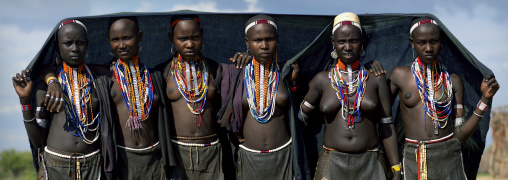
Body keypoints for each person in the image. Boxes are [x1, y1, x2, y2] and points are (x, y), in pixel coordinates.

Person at [42, 16, 175, 179]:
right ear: (109, 42)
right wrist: (52, 81)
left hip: (155, 157)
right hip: (121, 159)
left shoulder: (155, 75)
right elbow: (47, 68)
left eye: (127, 38)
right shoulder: (105, 74)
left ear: (139, 36)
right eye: (115, 39)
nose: (122, 44)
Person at [384, 17, 500, 179]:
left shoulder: (453, 81)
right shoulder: (399, 76)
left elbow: (460, 136)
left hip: (449, 157)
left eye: (434, 41)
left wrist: (484, 101)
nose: (429, 48)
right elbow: (382, 117)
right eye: (421, 42)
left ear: (441, 42)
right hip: (416, 157)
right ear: (412, 42)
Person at [299, 12, 401, 180]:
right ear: (333, 43)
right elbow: (299, 120)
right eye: (342, 41)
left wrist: (396, 168)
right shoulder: (322, 80)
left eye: (353, 40)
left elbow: (386, 125)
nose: (347, 47)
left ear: (361, 42)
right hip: (331, 161)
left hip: (371, 161)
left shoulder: (375, 78)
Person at [13, 20, 110, 179]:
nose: (74, 48)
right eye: (68, 43)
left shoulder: (99, 79)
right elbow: (38, 141)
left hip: (92, 166)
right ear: (57, 47)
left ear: (87, 45)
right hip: (56, 166)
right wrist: (25, 101)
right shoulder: (46, 86)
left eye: (80, 43)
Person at [218, 14, 307, 180]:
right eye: (257, 40)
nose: (264, 45)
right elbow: (224, 112)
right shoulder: (236, 73)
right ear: (247, 42)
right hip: (249, 157)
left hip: (284, 155)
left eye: (270, 39)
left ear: (277, 39)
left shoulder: (286, 72)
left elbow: (295, 116)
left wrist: (294, 85)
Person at [161, 14, 225, 179]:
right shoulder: (163, 72)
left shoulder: (214, 69)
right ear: (171, 38)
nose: (189, 44)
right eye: (182, 38)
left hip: (211, 151)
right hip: (177, 152)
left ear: (202, 35)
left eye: (195, 37)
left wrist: (245, 60)